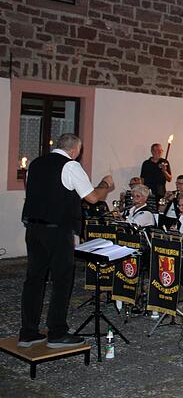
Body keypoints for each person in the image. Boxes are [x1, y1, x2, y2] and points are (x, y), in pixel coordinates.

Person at [20, 133, 115, 348]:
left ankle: (28, 332)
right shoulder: (70, 166)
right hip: (57, 230)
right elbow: (91, 197)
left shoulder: (35, 164)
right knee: (62, 279)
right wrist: (105, 184)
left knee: (34, 279)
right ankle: (57, 332)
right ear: (75, 150)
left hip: (34, 228)